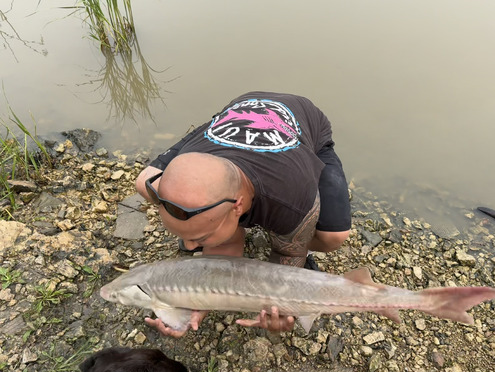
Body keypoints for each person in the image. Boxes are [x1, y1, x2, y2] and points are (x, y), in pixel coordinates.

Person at [135, 91, 351, 337]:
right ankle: (211, 225)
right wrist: (200, 301)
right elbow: (224, 252)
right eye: (188, 237)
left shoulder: (290, 196)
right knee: (144, 182)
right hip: (238, 113)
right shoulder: (192, 159)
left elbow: (287, 254)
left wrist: (281, 307)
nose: (189, 246)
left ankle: (218, 226)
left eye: (200, 237)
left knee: (333, 236)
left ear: (237, 206)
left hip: (306, 124)